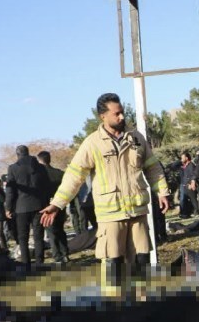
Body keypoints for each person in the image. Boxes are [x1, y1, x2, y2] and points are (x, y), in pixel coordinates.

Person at [40, 92, 169, 295]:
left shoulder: (136, 138)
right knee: (113, 263)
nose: (121, 117)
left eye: (122, 113)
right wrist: (57, 204)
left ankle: (143, 304)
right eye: (116, 114)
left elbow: (152, 167)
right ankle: (114, 306)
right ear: (103, 116)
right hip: (110, 216)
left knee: (141, 260)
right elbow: (74, 176)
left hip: (137, 212)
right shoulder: (92, 143)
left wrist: (162, 191)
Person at [5, 145, 49, 271]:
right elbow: (46, 186)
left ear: (17, 154)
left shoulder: (13, 168)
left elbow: (10, 190)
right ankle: (40, 262)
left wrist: (8, 207)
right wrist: (46, 203)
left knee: (22, 237)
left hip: (21, 206)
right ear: (28, 153)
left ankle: (26, 264)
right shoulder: (40, 167)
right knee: (38, 235)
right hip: (39, 205)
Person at [37, 151, 70, 264]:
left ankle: (57, 256)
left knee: (51, 232)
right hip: (60, 204)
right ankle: (65, 253)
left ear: (40, 161)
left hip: (47, 206)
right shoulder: (59, 173)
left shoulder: (39, 176)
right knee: (61, 230)